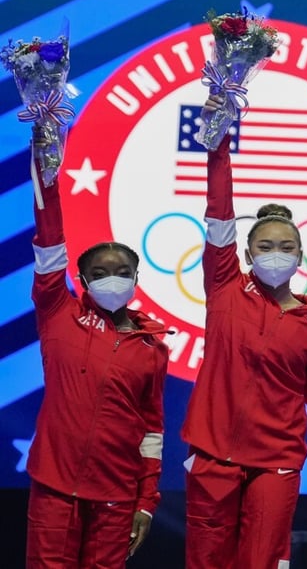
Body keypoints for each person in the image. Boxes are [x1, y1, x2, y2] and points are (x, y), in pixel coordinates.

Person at [181, 95, 307, 568]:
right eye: (264, 245)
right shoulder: (224, 287)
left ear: (300, 256)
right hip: (213, 457)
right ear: (247, 252)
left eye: (286, 247)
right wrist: (218, 140)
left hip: (276, 464)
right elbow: (218, 212)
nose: (275, 253)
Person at [25, 124, 170, 567]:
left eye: (123, 270)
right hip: (54, 485)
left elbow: (151, 431)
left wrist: (146, 500)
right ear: (84, 281)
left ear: (136, 279)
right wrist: (45, 168)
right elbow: (50, 243)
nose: (114, 278)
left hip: (116, 493)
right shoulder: (58, 312)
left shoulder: (151, 346)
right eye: (102, 271)